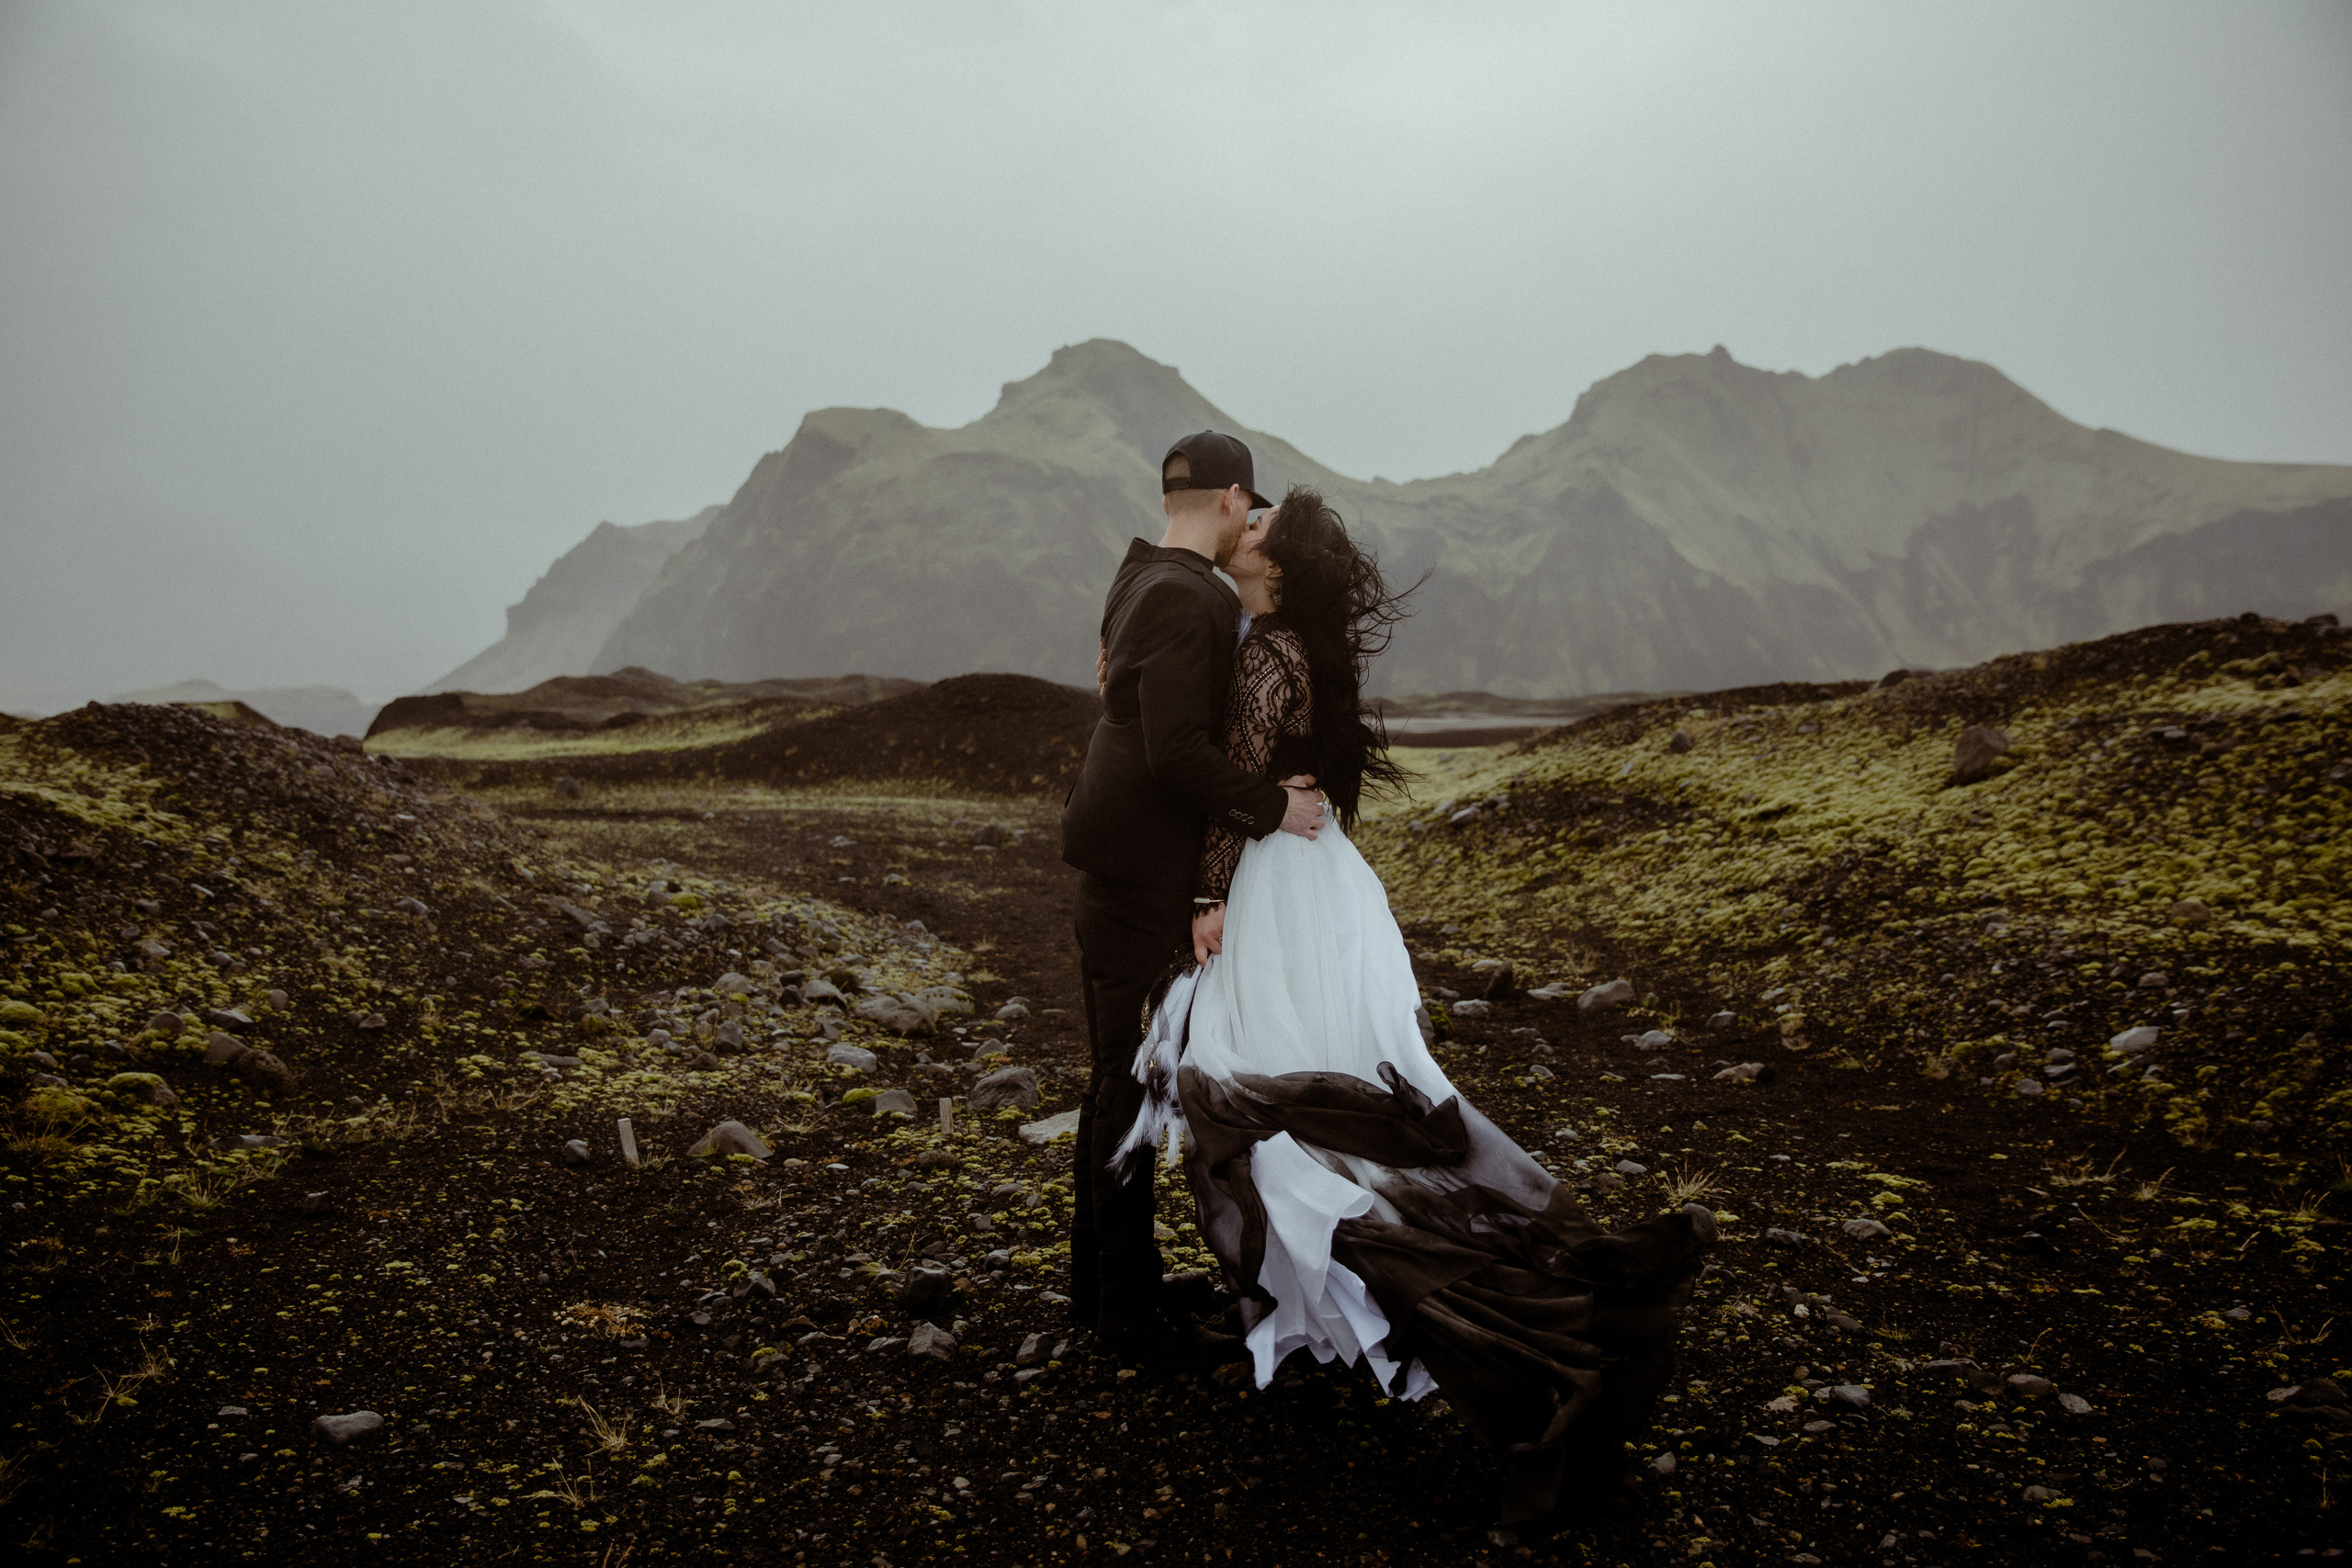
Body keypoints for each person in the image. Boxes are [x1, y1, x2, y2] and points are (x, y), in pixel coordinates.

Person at [1113, 485, 1718, 1528]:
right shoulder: (1296, 645)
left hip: (1272, 891)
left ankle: (1521, 1322)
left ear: (1279, 565)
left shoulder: (1267, 652)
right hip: (1321, 888)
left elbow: (1238, 785)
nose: (1238, 532)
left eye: (1254, 529)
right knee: (1327, 1103)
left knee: (1268, 1116)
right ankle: (1553, 1273)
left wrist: (1207, 894)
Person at [1060, 430, 1328, 1367]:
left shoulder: (1139, 576)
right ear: (1228, 501)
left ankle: (1100, 1287)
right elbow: (1177, 750)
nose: (1252, 528)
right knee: (1125, 1085)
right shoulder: (1184, 599)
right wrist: (1273, 808)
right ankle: (1124, 1316)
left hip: (1116, 871)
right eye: (1250, 513)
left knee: (1114, 1081)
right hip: (1135, 880)